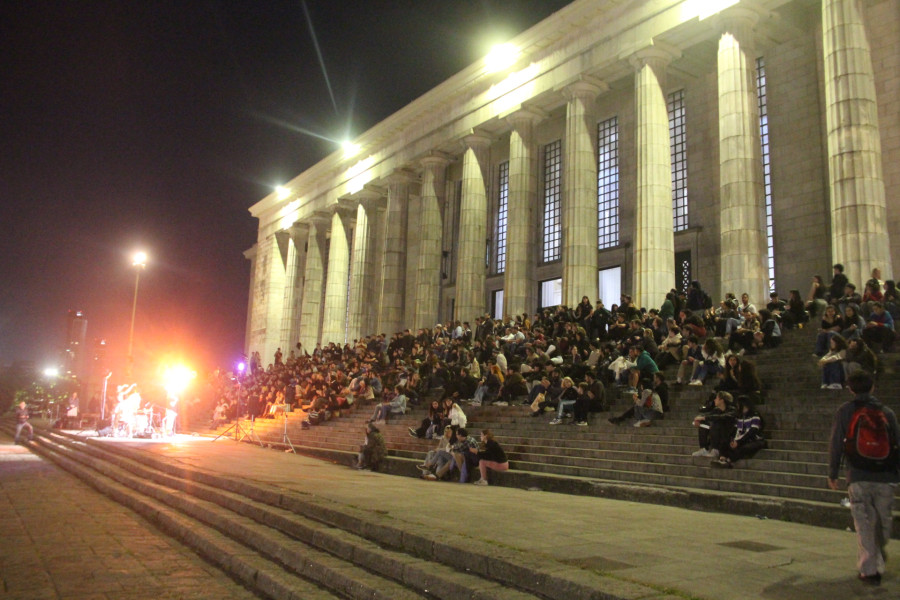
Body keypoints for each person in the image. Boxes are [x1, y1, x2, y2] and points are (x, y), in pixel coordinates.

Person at [828, 370, 900, 585]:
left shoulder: (845, 411)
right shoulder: (887, 412)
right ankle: (874, 560)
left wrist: (833, 473)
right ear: (872, 387)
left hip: (858, 474)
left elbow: (836, 443)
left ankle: (870, 568)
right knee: (882, 522)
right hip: (885, 476)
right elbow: (897, 444)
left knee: (864, 523)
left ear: (850, 389)